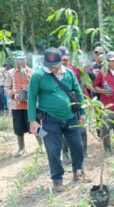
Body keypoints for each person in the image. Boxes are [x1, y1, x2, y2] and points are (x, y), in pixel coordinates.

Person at [28, 47, 91, 192]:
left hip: (71, 118)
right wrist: (32, 120)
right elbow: (31, 97)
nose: (51, 69)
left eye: (54, 66)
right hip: (50, 120)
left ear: (61, 62)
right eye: (49, 66)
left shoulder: (69, 73)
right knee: (53, 150)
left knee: (77, 146)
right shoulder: (38, 75)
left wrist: (82, 111)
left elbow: (78, 91)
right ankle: (57, 179)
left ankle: (78, 171)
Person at [5, 51, 43, 156]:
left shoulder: (33, 72)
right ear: (15, 60)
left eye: (22, 59)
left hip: (30, 105)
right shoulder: (10, 73)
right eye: (18, 59)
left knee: (37, 125)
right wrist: (13, 94)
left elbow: (39, 88)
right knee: (18, 127)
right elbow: (6, 88)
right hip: (16, 105)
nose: (20, 61)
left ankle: (42, 145)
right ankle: (21, 148)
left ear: (26, 59)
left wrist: (32, 94)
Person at [58, 46, 88, 163]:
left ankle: (84, 151)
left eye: (66, 59)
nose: (65, 61)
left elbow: (81, 85)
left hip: (75, 104)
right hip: (61, 107)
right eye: (62, 59)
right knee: (63, 131)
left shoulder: (75, 70)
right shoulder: (51, 73)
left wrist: (84, 102)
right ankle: (65, 153)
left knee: (81, 128)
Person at [93, 51, 114, 154]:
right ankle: (107, 150)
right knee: (105, 129)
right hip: (107, 108)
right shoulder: (102, 73)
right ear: (108, 62)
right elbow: (95, 87)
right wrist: (102, 91)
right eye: (112, 61)